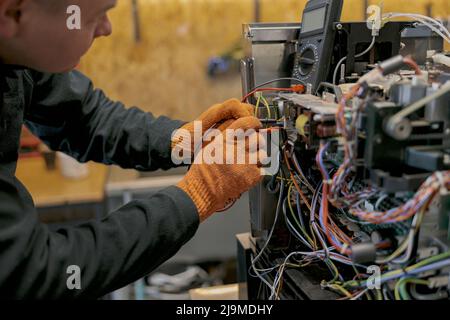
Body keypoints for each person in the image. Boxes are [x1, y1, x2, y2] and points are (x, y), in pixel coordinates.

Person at [0, 0, 263, 299]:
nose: (106, 29)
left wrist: (183, 140)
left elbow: (86, 118)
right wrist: (198, 196)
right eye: (94, 18)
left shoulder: (20, 54)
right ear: (12, 13)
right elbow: (37, 271)